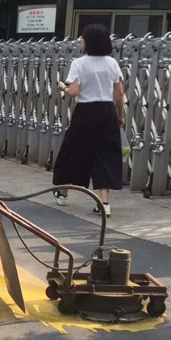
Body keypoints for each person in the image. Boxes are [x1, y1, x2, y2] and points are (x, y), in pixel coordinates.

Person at [53, 24, 125, 217]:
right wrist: (121, 115)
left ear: (88, 42)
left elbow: (74, 91)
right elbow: (119, 93)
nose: (81, 43)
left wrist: (62, 87)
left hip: (86, 111)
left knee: (73, 150)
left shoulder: (79, 63)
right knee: (106, 155)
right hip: (107, 110)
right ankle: (104, 203)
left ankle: (63, 192)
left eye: (83, 39)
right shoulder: (112, 63)